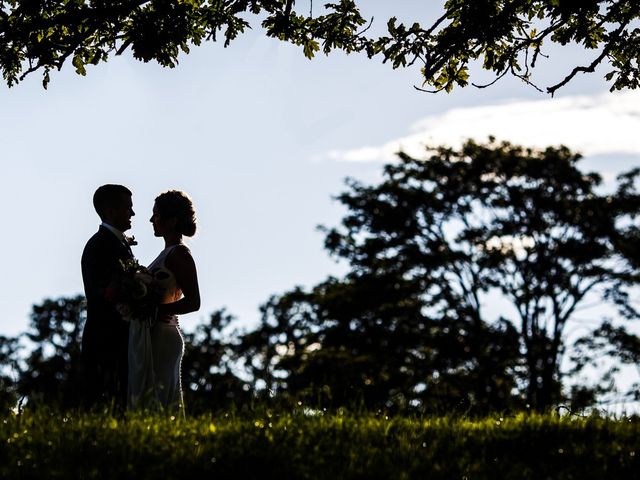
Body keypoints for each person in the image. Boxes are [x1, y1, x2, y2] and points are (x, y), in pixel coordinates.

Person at [128, 190, 200, 413]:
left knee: (159, 399)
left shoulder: (180, 254)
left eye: (156, 214)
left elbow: (194, 301)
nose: (151, 220)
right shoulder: (165, 253)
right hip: (151, 334)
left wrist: (157, 309)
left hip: (164, 336)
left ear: (172, 220)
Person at [81, 184, 136, 409]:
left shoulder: (117, 244)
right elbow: (101, 294)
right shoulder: (99, 246)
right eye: (128, 208)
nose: (132, 213)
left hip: (122, 338)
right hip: (106, 339)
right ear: (111, 210)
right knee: (105, 404)